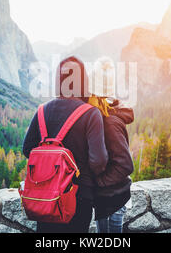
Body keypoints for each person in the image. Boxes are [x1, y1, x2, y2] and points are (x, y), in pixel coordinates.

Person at [22, 56, 108, 233]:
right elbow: (98, 162)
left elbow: (27, 149)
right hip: (78, 197)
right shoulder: (91, 114)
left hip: (45, 196)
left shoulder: (41, 111)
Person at [88, 57, 134, 233]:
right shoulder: (102, 118)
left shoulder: (110, 123)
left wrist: (98, 182)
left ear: (96, 96)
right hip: (106, 198)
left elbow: (125, 165)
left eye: (89, 95)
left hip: (113, 200)